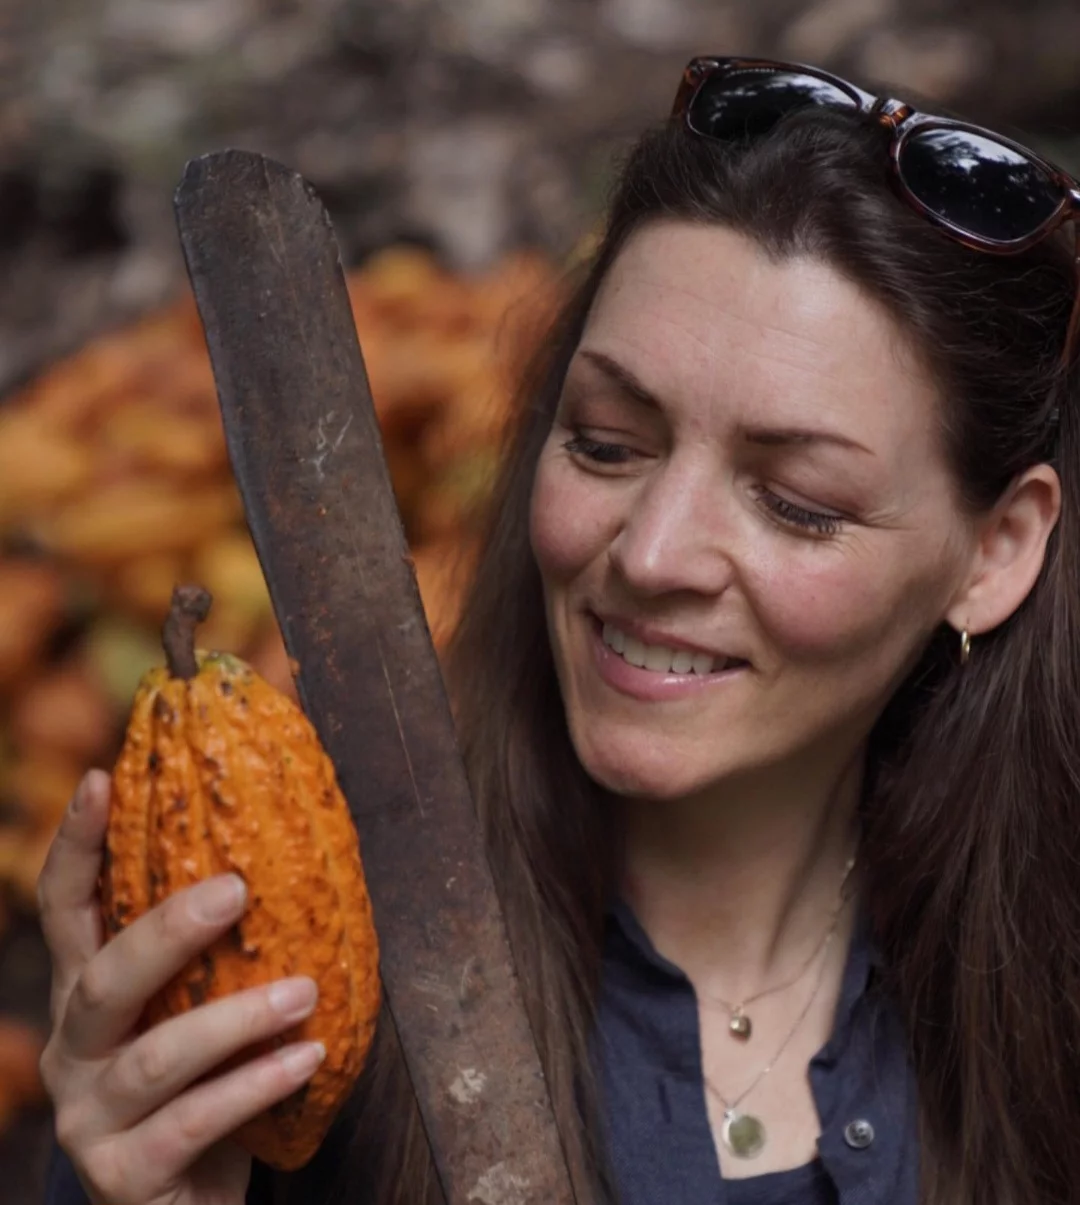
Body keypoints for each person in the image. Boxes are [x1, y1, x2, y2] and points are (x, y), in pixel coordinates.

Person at [37, 55, 1080, 1205]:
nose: (650, 554)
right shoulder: (299, 998)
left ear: (996, 551)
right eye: (606, 442)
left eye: (796, 502)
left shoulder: (1047, 997)